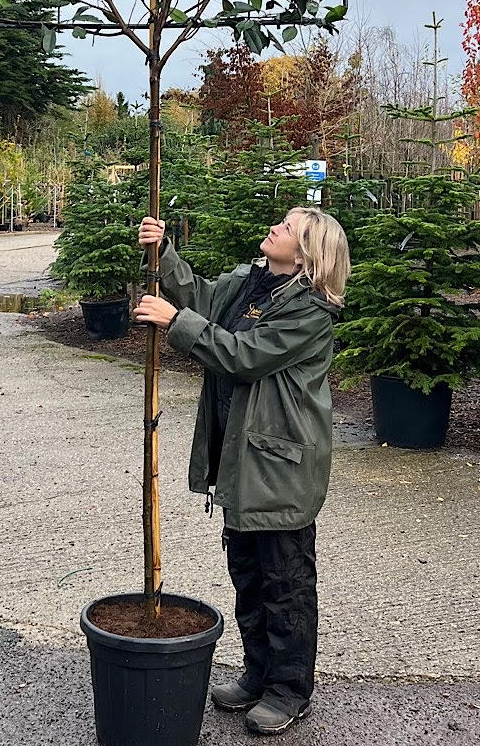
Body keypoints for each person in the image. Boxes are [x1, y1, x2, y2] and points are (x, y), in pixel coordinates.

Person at [133, 207, 350, 737]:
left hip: (279, 469)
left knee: (286, 583)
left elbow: (243, 355)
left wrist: (173, 322)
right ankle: (257, 675)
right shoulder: (251, 282)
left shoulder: (310, 312)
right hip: (240, 462)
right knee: (249, 577)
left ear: (305, 254)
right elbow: (202, 297)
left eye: (288, 227)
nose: (275, 226)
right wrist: (163, 253)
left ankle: (289, 689)